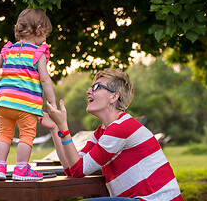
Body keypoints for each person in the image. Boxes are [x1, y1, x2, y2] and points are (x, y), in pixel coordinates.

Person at [40, 68, 183, 200]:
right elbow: (72, 169)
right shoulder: (102, 131)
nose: (88, 91)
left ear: (114, 97)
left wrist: (64, 128)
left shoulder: (121, 127)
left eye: (96, 87)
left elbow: (78, 170)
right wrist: (55, 128)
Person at [0, 8, 56, 181]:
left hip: (4, 102)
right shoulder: (38, 52)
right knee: (27, 135)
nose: (45, 39)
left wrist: (1, 87)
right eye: (45, 34)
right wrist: (51, 101)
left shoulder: (8, 49)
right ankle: (21, 169)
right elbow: (45, 79)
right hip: (27, 104)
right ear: (39, 30)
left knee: (4, 133)